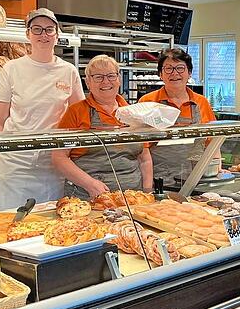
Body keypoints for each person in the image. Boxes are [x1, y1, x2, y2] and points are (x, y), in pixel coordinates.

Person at [0, 8, 84, 211]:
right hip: (15, 167)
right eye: (37, 29)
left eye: (49, 30)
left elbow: (79, 119)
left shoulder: (68, 71)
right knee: (8, 226)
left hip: (52, 168)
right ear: (28, 34)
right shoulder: (12, 69)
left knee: (47, 231)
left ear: (57, 35)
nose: (43, 35)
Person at [52, 55, 153, 199]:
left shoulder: (133, 112)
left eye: (111, 76)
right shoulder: (76, 112)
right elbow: (59, 158)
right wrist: (89, 184)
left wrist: (147, 192)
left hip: (132, 198)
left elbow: (145, 158)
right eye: (98, 77)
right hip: (87, 198)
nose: (106, 81)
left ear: (118, 79)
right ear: (88, 82)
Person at [138, 48, 216, 182]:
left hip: (197, 177)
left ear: (189, 73)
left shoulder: (201, 102)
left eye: (180, 68)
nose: (175, 74)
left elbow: (212, 141)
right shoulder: (147, 102)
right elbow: (141, 149)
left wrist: (216, 168)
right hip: (158, 178)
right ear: (160, 74)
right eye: (168, 69)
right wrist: (148, 186)